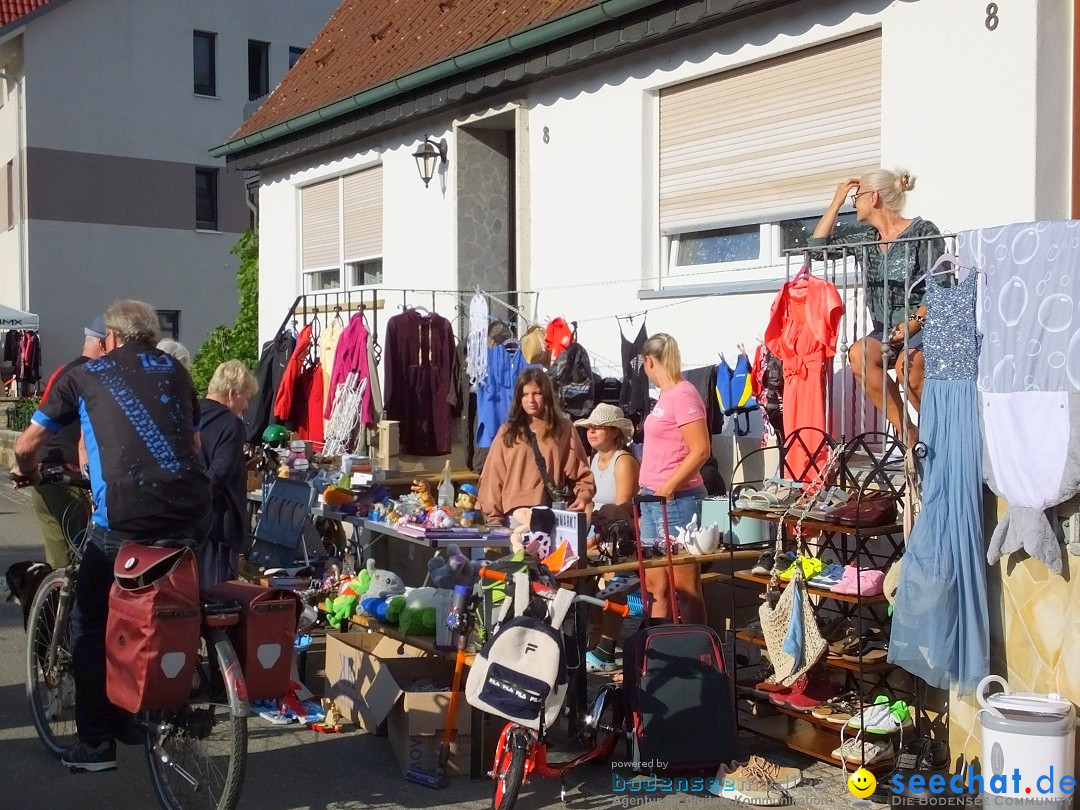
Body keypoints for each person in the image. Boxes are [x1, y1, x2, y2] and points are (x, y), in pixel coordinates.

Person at [12, 299, 210, 773]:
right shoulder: (177, 372)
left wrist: (28, 473)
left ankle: (97, 743)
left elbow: (26, 445)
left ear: (113, 338)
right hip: (191, 512)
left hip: (124, 518)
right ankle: (139, 712)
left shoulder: (85, 373)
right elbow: (194, 443)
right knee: (159, 607)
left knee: (89, 622)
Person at [810, 168, 945, 447]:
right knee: (858, 353)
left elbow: (940, 287)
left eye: (854, 199)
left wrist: (910, 324)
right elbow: (817, 248)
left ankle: (941, 435)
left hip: (923, 325)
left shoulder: (922, 232)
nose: (853, 204)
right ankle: (908, 432)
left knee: (908, 366)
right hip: (886, 331)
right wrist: (836, 200)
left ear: (873, 198)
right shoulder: (866, 239)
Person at [638, 333, 711, 624]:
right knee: (656, 585)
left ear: (648, 362)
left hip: (677, 500)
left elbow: (702, 450)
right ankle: (656, 655)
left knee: (685, 586)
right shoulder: (666, 397)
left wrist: (670, 485)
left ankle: (696, 659)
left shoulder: (683, 394)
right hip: (651, 499)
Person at [28, 317, 107, 568]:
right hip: (71, 476)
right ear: (105, 345)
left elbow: (40, 420)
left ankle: (51, 604)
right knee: (84, 558)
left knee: (59, 561)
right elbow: (89, 436)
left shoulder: (62, 372)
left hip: (43, 473)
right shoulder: (98, 378)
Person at [476, 367, 595, 523]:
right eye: (525, 394)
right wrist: (493, 520)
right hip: (514, 516)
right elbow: (493, 478)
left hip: (552, 514)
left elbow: (581, 473)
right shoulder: (507, 432)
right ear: (519, 398)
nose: (530, 400)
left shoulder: (563, 428)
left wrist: (583, 496)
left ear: (546, 395)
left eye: (536, 393)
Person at [574, 403, 639, 672]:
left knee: (615, 583)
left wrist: (592, 539)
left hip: (621, 533)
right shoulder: (592, 460)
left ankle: (606, 648)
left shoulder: (623, 461)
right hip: (597, 532)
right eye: (590, 427)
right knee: (583, 581)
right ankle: (596, 640)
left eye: (598, 427)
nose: (592, 431)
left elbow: (622, 508)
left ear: (614, 432)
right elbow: (588, 502)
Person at [198, 360, 258, 587]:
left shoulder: (189, 413)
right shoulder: (231, 424)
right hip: (218, 526)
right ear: (232, 394)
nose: (248, 406)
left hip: (185, 524)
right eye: (247, 397)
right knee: (218, 596)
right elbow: (219, 474)